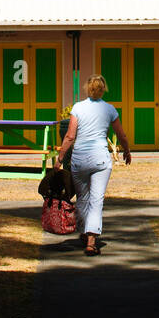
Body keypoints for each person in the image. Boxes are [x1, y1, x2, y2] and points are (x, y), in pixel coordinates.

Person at [56, 73, 130, 255]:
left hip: (80, 158)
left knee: (82, 198)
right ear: (103, 89)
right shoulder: (110, 109)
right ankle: (91, 240)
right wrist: (127, 151)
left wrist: (59, 158)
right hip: (100, 159)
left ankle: (84, 230)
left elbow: (70, 136)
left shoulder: (78, 108)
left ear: (88, 89)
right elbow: (121, 135)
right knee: (96, 200)